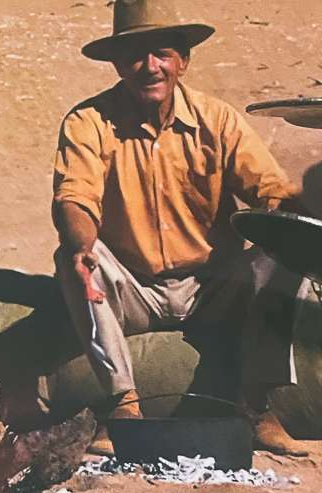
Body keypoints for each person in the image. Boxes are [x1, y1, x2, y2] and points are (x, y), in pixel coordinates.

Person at [52, 0, 311, 456]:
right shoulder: (88, 122)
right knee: (77, 261)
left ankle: (256, 409)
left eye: (163, 53)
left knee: (288, 251)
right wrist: (81, 244)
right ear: (117, 64)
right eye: (135, 55)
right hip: (133, 288)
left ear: (183, 61)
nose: (149, 67)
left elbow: (269, 187)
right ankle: (123, 408)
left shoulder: (219, 120)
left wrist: (298, 212)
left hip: (214, 287)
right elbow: (76, 197)